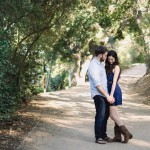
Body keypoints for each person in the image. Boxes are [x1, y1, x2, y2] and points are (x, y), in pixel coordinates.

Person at [88, 46, 115, 144]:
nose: (106, 57)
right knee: (101, 114)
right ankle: (98, 137)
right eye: (105, 55)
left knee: (106, 114)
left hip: (104, 94)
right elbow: (97, 84)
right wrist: (107, 96)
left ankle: (103, 135)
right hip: (98, 94)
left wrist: (108, 95)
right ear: (100, 55)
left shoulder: (100, 64)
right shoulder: (93, 65)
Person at [105, 50, 133, 143]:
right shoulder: (107, 66)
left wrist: (111, 95)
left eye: (112, 59)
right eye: (109, 59)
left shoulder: (116, 67)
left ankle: (126, 133)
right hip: (109, 90)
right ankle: (117, 136)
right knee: (115, 114)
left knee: (112, 115)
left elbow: (114, 82)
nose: (110, 61)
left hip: (114, 91)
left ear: (115, 58)